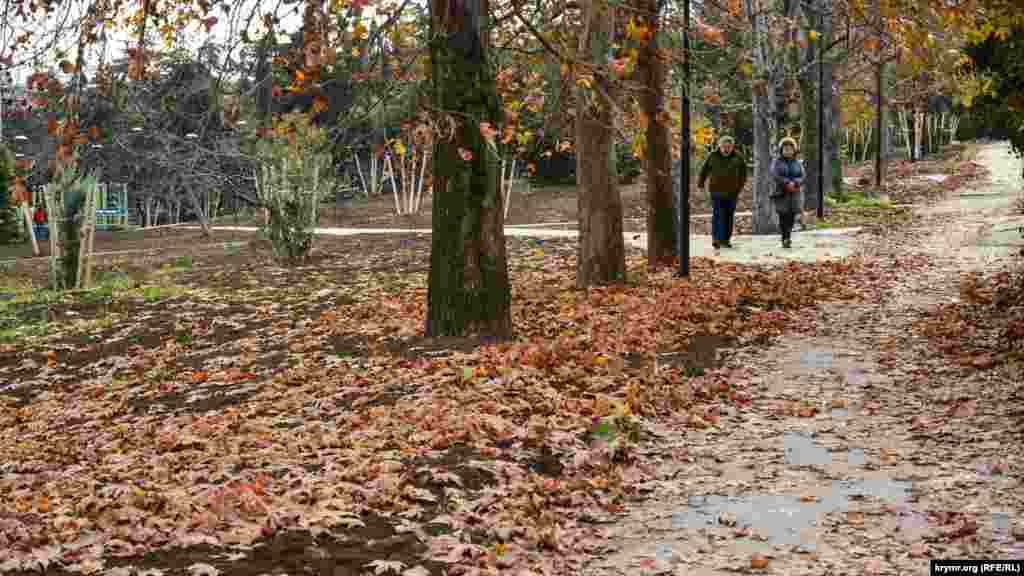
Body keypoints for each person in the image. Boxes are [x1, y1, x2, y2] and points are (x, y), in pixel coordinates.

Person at [697, 135, 748, 250]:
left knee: (728, 216)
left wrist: (739, 187)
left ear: (732, 147)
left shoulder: (738, 157)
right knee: (718, 215)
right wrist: (701, 184)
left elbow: (743, 174)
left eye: (729, 147)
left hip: (732, 193)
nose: (726, 149)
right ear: (719, 146)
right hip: (716, 191)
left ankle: (726, 239)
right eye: (724, 146)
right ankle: (716, 238)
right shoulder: (712, 156)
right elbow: (704, 170)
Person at [771, 137, 803, 249]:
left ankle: (788, 237)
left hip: (794, 193)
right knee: (783, 216)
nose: (788, 151)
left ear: (794, 150)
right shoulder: (777, 162)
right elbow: (775, 175)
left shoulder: (797, 163)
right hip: (781, 193)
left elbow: (802, 176)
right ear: (781, 150)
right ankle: (785, 237)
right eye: (785, 149)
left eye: (790, 149)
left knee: (791, 216)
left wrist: (795, 183)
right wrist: (786, 183)